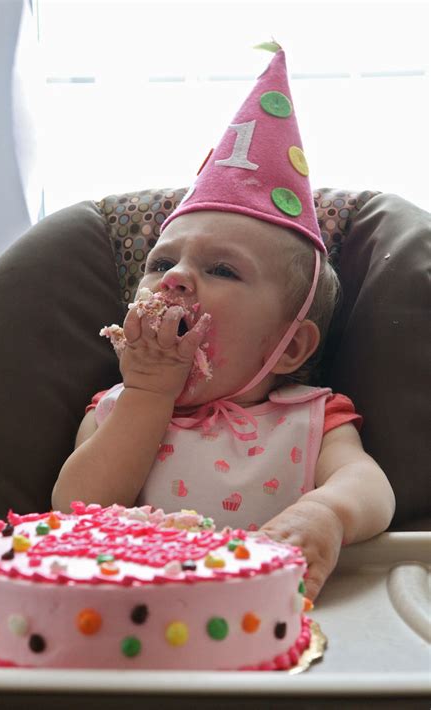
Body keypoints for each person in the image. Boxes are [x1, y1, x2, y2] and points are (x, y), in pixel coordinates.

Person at [52, 42, 395, 599]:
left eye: (221, 270)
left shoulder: (311, 421)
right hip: (136, 622)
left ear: (289, 348)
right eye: (161, 263)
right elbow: (74, 511)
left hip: (283, 623)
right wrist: (148, 392)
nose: (175, 278)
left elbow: (371, 487)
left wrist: (328, 514)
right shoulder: (115, 408)